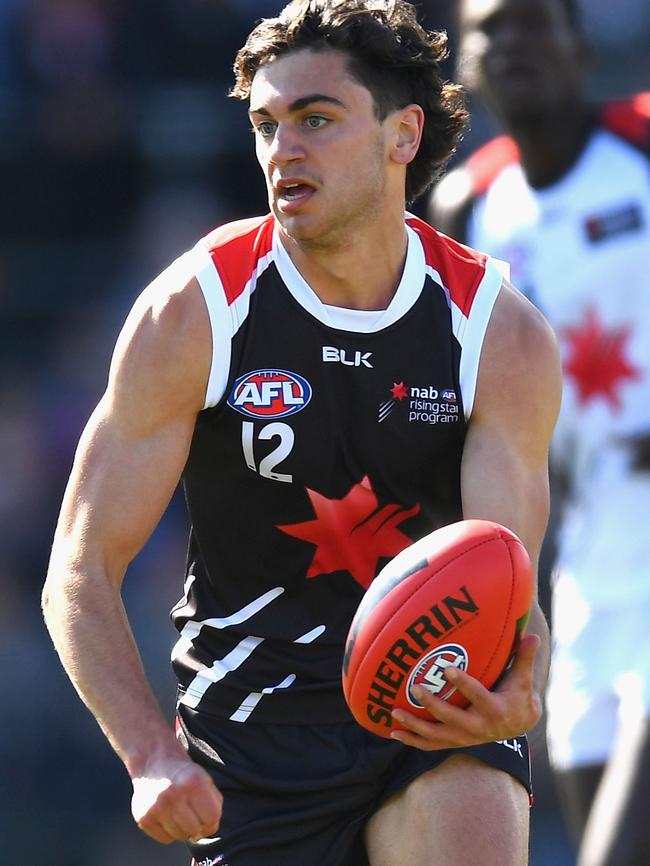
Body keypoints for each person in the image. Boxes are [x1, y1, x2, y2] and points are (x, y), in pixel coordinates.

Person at [42, 2, 561, 865]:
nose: (283, 148)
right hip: (249, 739)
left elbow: (509, 580)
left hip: (430, 703)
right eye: (266, 123)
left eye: (316, 119)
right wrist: (149, 755)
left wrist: (521, 693)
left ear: (403, 136)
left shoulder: (496, 334)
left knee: (474, 813)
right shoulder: (194, 311)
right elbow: (80, 567)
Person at [428, 2, 650, 865]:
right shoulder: (468, 209)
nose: (512, 43)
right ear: (466, 62)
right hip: (591, 573)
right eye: (491, 28)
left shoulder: (640, 145)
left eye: (534, 22)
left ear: (581, 44)